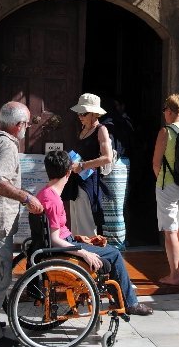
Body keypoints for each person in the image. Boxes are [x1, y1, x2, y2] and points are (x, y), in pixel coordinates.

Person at [37, 149, 153, 316]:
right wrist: (83, 252)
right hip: (63, 248)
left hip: (67, 242)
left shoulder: (44, 193)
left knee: (104, 248)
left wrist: (77, 239)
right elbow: (55, 239)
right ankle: (130, 303)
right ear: (69, 171)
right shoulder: (54, 200)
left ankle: (120, 297)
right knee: (113, 254)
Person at [0, 101, 44, 347]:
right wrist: (26, 197)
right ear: (19, 125)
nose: (27, 128)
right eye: (27, 123)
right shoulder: (7, 145)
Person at [152, 94, 179, 285]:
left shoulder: (166, 132)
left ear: (170, 111)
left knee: (170, 231)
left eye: (164, 110)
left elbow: (155, 163)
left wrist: (162, 180)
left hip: (168, 185)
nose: (164, 114)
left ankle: (173, 276)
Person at [65, 93, 112, 237]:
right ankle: (78, 256)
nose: (80, 116)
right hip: (76, 181)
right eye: (79, 113)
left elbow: (107, 157)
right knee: (76, 226)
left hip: (88, 183)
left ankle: (90, 256)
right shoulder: (83, 130)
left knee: (86, 226)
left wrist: (83, 165)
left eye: (83, 113)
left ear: (94, 114)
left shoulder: (101, 129)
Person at [100, 96, 135, 250]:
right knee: (119, 207)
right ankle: (121, 241)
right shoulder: (126, 123)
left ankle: (114, 245)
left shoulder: (107, 125)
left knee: (112, 209)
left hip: (113, 168)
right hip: (125, 164)